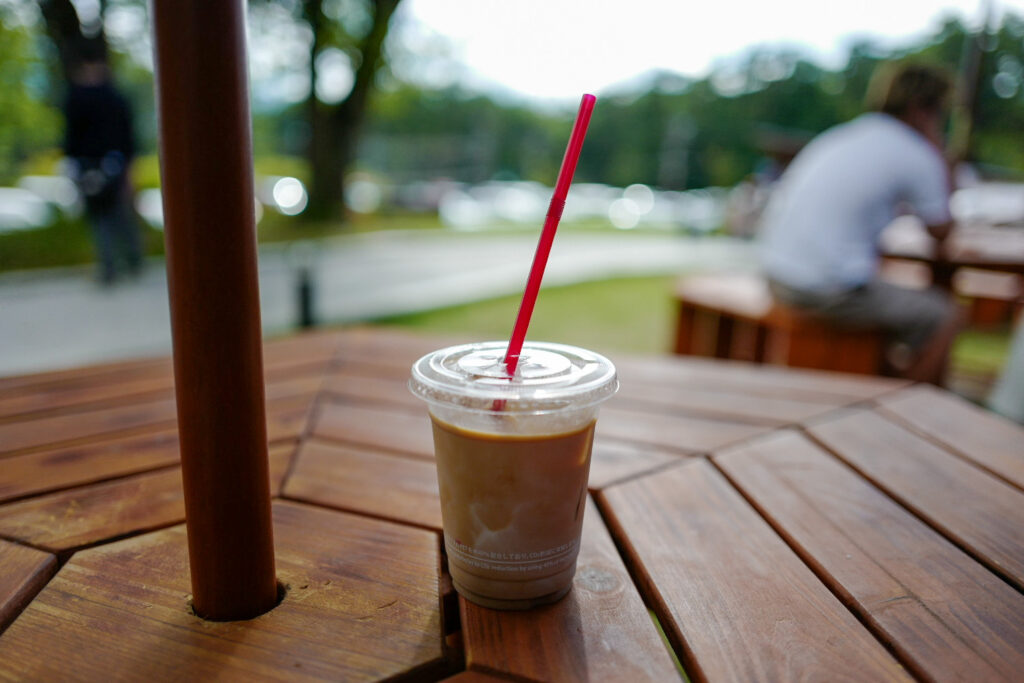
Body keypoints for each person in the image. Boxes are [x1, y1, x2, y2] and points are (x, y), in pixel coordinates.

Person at [757, 62, 963, 385]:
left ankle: (883, 380)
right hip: (823, 289)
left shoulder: (844, 135)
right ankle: (908, 402)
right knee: (944, 315)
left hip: (777, 273)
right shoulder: (915, 152)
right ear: (923, 110)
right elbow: (943, 231)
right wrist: (939, 149)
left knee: (886, 293)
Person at [63, 38, 142, 285]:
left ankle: (113, 264)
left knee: (102, 217)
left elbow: (70, 138)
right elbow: (128, 137)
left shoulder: (75, 98)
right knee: (116, 213)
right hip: (114, 163)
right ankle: (131, 259)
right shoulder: (114, 97)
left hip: (90, 165)